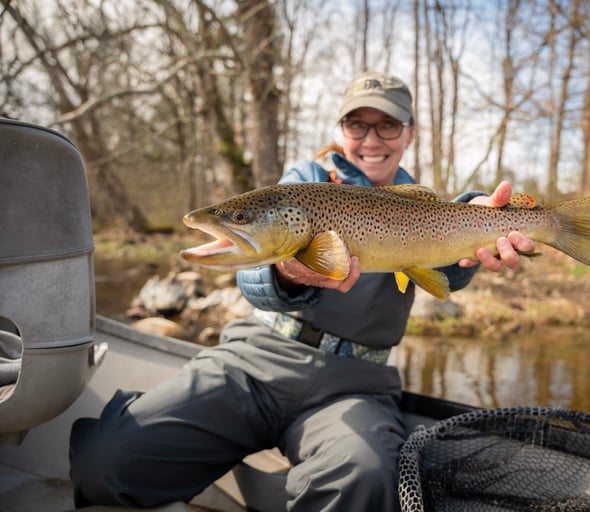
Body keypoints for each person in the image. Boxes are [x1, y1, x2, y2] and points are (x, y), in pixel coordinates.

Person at [69, 71, 536, 511]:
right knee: (106, 460)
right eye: (358, 124)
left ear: (410, 134)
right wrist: (288, 273)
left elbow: (449, 270)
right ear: (341, 128)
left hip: (354, 388)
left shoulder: (426, 206)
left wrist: (482, 219)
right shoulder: (302, 185)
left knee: (365, 476)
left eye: (388, 125)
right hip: (254, 365)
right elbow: (252, 278)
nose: (372, 139)